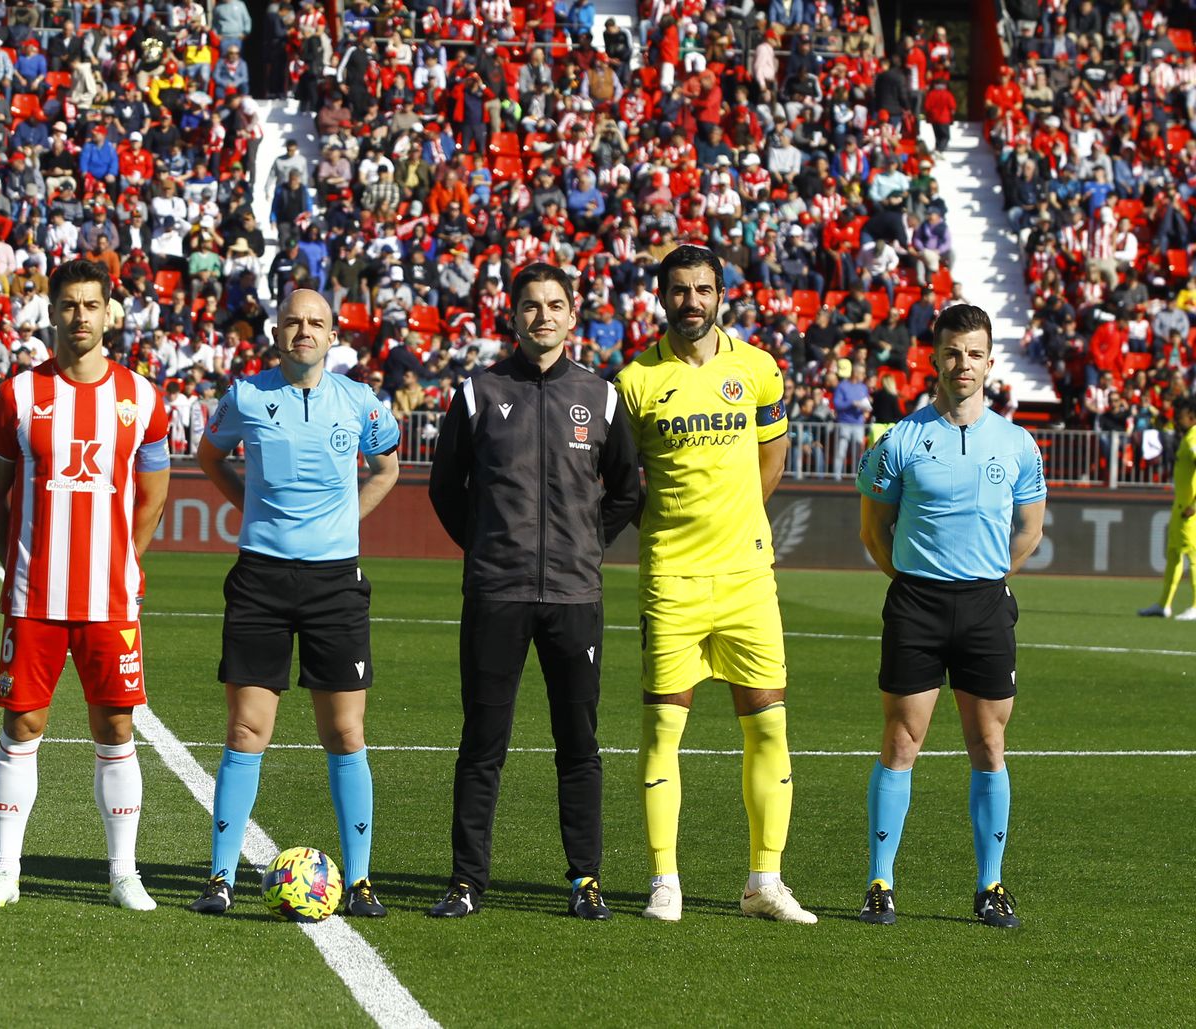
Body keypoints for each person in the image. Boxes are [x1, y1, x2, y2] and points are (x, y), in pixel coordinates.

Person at [427, 262, 642, 919]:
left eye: (554, 304)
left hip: (575, 597)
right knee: (483, 740)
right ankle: (467, 880)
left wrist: (585, 543)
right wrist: (491, 545)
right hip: (497, 591)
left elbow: (628, 489)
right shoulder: (479, 393)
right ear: (512, 315)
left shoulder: (600, 396)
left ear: (573, 316)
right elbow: (445, 488)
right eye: (530, 305)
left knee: (579, 742)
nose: (542, 315)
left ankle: (585, 878)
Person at [615, 245, 816, 924]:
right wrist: (665, 525)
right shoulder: (635, 382)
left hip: (746, 580)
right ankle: (664, 880)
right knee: (661, 731)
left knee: (768, 727)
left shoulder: (757, 369)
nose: (691, 301)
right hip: (670, 578)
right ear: (660, 297)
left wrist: (741, 525)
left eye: (703, 289)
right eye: (678, 290)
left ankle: (765, 880)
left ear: (722, 293)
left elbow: (772, 453)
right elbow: (619, 481)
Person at [0, 259, 172, 910]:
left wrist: (125, 559)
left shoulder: (141, 397)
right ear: (51, 311)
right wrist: (17, 558)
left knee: (116, 726)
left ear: (111, 313)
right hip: (35, 595)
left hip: (109, 597)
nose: (80, 316)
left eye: (91, 305)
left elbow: (154, 494)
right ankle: (5, 869)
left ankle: (123, 873)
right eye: (68, 305)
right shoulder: (18, 395)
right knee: (22, 722)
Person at [189, 288, 401, 916]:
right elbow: (210, 456)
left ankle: (359, 880)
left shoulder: (361, 401)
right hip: (260, 579)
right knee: (246, 729)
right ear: (276, 333)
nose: (303, 331)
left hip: (335, 583)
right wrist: (251, 511)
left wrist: (348, 522)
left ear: (333, 335)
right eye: (292, 322)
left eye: (316, 323)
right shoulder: (245, 396)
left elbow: (386, 468)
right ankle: (220, 879)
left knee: (345, 730)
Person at [856, 303, 1047, 928]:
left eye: (973, 353)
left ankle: (990, 886)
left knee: (989, 744)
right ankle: (880, 883)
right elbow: (873, 530)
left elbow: (1029, 532)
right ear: (933, 359)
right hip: (916, 603)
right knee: (900, 742)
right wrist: (914, 581)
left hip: (987, 604)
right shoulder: (900, 440)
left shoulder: (1018, 443)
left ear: (990, 362)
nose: (962, 364)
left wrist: (986, 580)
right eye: (951, 353)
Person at [1138, 399, 1196, 619]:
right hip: (1180, 507)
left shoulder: (1193, 439)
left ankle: (1195, 605)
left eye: (1180, 415)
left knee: (1192, 556)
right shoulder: (1187, 438)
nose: (1177, 419)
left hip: (1190, 511)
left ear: (1191, 416)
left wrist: (1194, 505)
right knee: (1173, 555)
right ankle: (1164, 604)